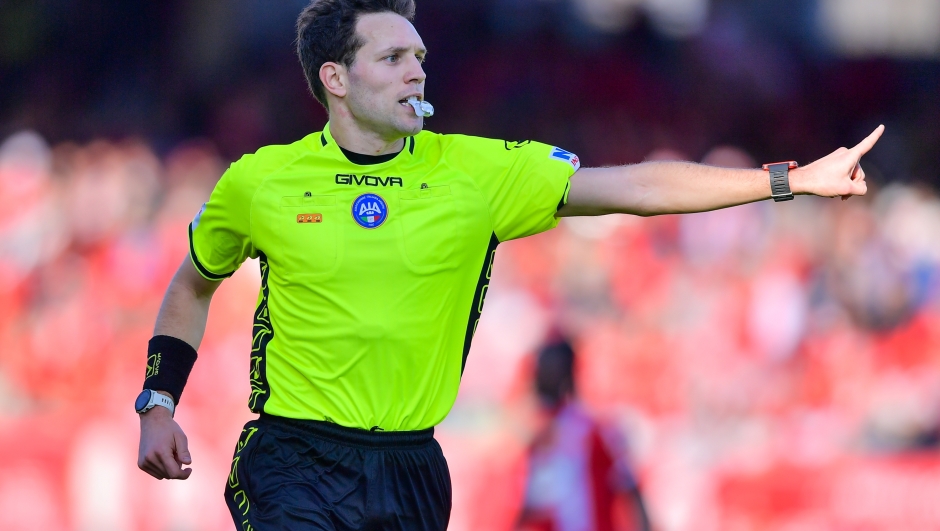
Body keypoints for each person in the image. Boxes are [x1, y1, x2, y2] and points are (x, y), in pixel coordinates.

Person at [134, 0, 883, 529]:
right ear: (336, 78)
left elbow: (634, 187)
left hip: (410, 468)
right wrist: (158, 402)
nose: (415, 73)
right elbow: (193, 284)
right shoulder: (259, 181)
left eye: (419, 58)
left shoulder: (474, 174)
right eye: (392, 58)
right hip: (293, 456)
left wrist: (785, 180)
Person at [518, 339, 650, 531]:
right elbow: (533, 506)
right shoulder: (539, 438)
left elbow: (631, 491)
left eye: (547, 372)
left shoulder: (596, 432)